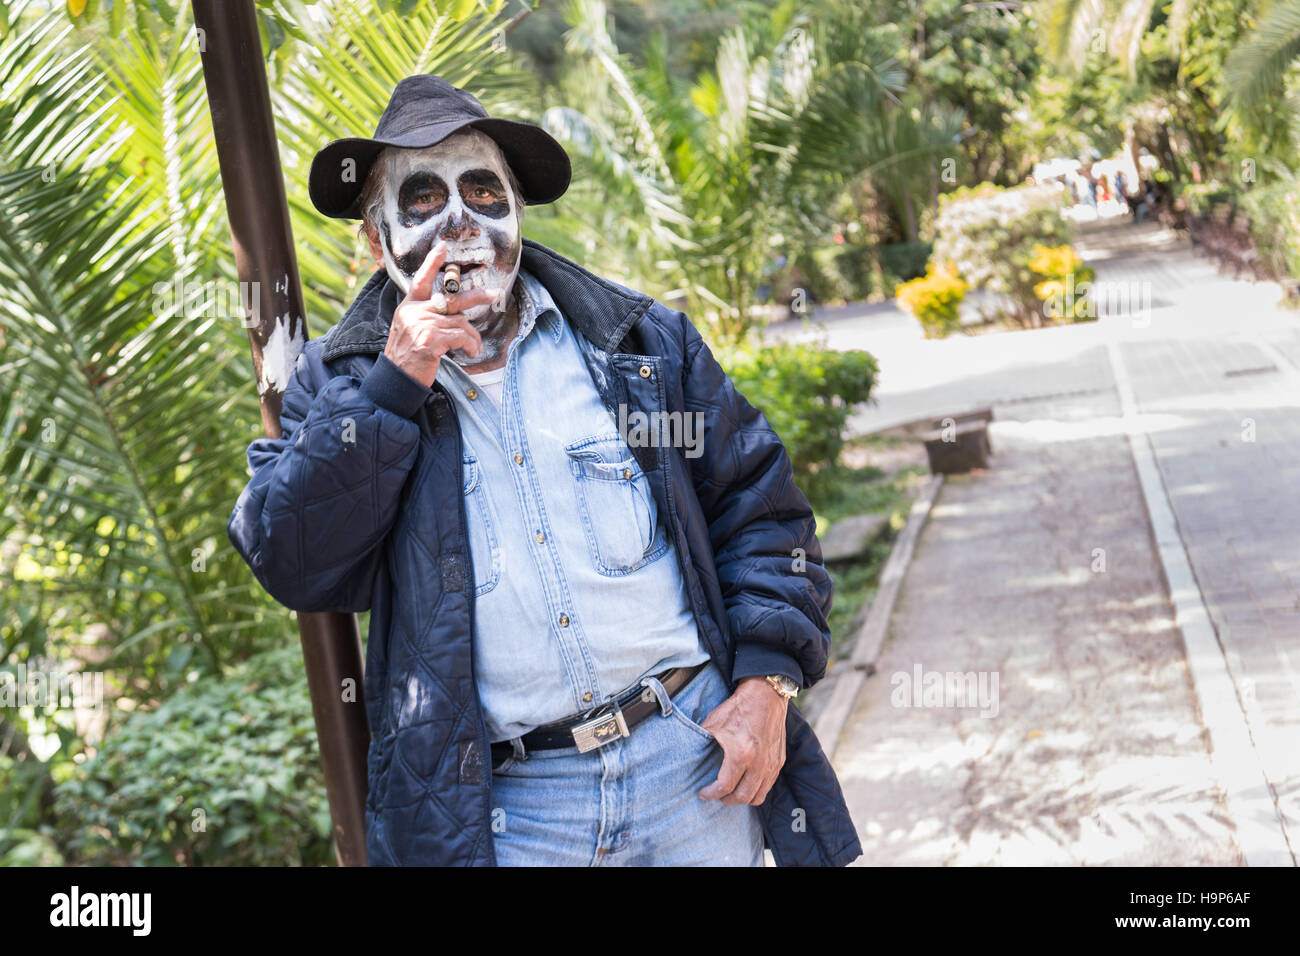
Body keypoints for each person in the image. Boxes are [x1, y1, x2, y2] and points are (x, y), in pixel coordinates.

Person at [226, 75, 861, 867]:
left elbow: (758, 510)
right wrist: (393, 389)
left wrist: (768, 684)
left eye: (483, 190)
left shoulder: (639, 346)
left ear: (516, 211)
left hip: (690, 768)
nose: (460, 223)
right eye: (422, 199)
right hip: (516, 817)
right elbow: (294, 559)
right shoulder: (338, 384)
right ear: (375, 237)